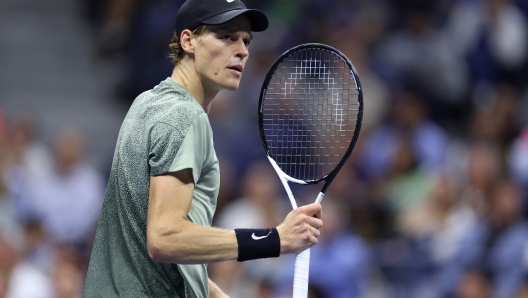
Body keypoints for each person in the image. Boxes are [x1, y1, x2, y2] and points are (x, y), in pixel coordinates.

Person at [83, 0, 323, 297]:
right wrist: (275, 239)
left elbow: (145, 247)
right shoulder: (186, 117)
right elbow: (164, 238)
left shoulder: (147, 103)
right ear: (188, 40)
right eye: (226, 37)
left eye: (246, 41)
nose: (242, 51)